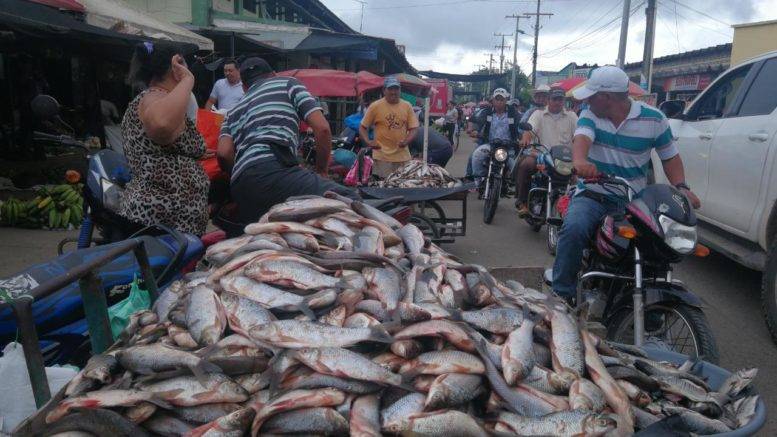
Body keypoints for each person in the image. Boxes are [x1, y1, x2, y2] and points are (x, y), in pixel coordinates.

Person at [552, 66, 700, 303]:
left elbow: (669, 156)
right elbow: (582, 139)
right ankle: (561, 294)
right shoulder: (590, 115)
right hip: (593, 194)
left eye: (591, 95)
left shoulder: (655, 119)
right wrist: (580, 161)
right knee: (574, 229)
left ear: (606, 98)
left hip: (633, 199)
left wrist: (681, 186)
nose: (587, 100)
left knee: (656, 245)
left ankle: (652, 301)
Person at [217, 57, 357, 225]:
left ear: (245, 87)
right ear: (274, 75)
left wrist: (247, 173)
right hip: (274, 169)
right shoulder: (287, 84)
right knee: (350, 200)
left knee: (269, 232)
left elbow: (224, 153)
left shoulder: (232, 112)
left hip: (241, 185)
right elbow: (323, 129)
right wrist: (321, 171)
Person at [119, 41, 209, 236]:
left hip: (172, 223)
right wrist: (187, 80)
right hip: (158, 223)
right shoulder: (153, 96)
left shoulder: (162, 98)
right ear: (177, 64)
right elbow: (161, 125)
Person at [514, 87, 578, 217]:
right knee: (526, 165)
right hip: (542, 156)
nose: (558, 102)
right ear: (548, 100)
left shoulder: (572, 116)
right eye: (555, 99)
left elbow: (579, 135)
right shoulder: (538, 114)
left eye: (560, 99)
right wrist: (525, 139)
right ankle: (522, 202)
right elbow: (529, 131)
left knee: (579, 180)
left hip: (564, 159)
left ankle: (575, 212)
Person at [359, 76, 419, 178]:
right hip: (382, 156)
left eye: (396, 89)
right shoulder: (375, 106)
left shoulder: (407, 106)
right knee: (383, 186)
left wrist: (406, 141)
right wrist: (368, 141)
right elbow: (362, 127)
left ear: (400, 90)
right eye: (390, 89)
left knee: (403, 185)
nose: (393, 92)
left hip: (402, 156)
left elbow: (414, 128)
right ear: (384, 90)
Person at [468, 88, 521, 188]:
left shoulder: (513, 112)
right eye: (497, 99)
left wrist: (521, 138)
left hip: (508, 147)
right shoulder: (486, 111)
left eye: (502, 99)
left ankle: (514, 188)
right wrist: (472, 130)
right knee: (476, 156)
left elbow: (521, 124)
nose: (499, 102)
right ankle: (479, 182)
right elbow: (473, 118)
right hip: (490, 144)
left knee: (516, 167)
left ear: (506, 100)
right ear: (493, 100)